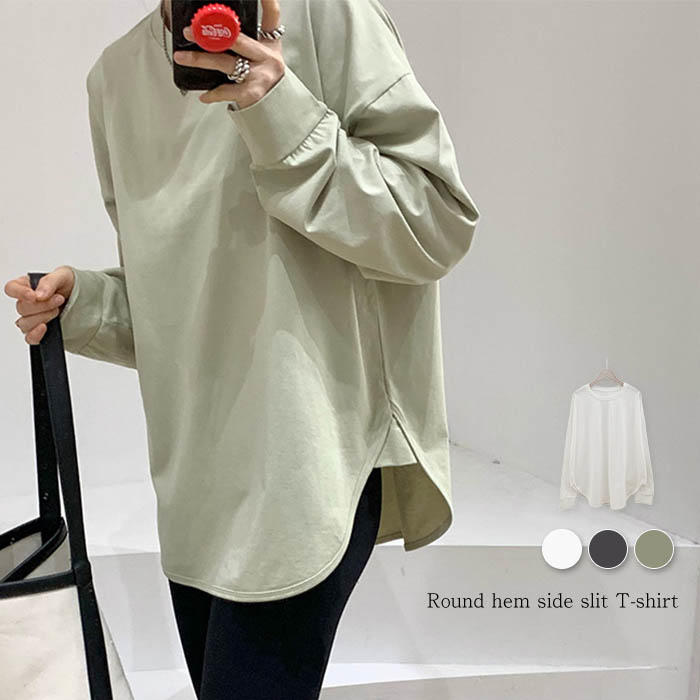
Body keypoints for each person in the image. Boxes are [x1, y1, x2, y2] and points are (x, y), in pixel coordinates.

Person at [4, 0, 480, 697]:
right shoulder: (114, 78)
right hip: (195, 487)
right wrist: (87, 305)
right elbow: (181, 308)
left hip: (308, 462)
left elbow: (436, 224)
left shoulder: (330, 17)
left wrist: (278, 109)